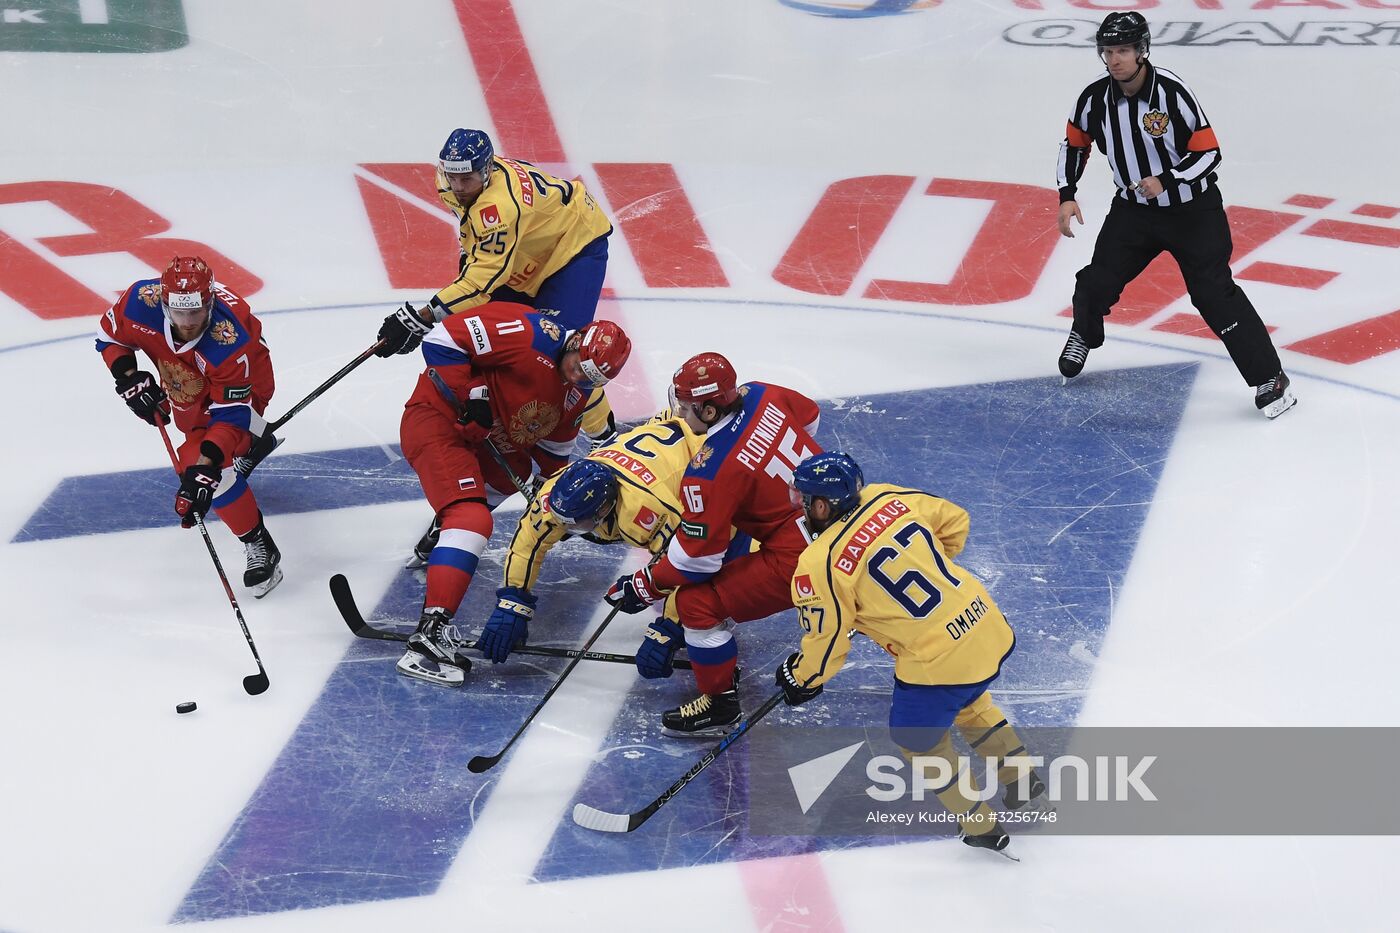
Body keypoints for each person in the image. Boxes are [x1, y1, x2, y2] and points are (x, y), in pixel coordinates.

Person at [374, 128, 623, 565]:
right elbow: (474, 263)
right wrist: (445, 314)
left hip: (571, 252)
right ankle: (470, 481)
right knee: (491, 340)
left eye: (465, 179)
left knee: (569, 359)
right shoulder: (458, 180)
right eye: (451, 176)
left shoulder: (499, 208)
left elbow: (482, 278)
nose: (455, 186)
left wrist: (424, 314)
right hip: (529, 248)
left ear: (486, 171)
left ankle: (604, 440)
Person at [776, 452, 1044, 855]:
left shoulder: (818, 563)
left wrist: (802, 678)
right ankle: (1022, 777)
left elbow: (827, 643)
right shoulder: (887, 496)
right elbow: (955, 520)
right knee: (969, 700)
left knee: (918, 739)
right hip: (985, 621)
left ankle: (980, 825)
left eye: (804, 499)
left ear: (822, 505)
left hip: (939, 658)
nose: (799, 507)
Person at [1056, 12, 1296, 419]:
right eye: (1109, 51)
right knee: (1096, 282)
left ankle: (1270, 378)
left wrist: (1167, 179)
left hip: (1194, 213)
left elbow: (1209, 153)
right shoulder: (1094, 98)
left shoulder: (1172, 93)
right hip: (1134, 212)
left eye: (1124, 50)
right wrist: (1067, 194)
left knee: (1212, 293)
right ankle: (1084, 331)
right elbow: (1075, 144)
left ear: (1142, 51)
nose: (1115, 60)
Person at [394, 301, 631, 686]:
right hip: (441, 420)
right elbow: (443, 340)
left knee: (516, 473)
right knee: (473, 520)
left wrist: (561, 498)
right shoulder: (532, 333)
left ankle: (445, 533)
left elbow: (552, 456)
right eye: (577, 369)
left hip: (493, 444)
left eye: (590, 380)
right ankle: (428, 637)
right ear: (575, 344)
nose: (577, 380)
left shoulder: (578, 394)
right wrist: (472, 397)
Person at [605, 353, 822, 736]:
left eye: (687, 408)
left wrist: (643, 584)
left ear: (708, 411)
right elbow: (810, 416)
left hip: (800, 556)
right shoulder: (760, 392)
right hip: (845, 515)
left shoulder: (709, 469)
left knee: (697, 604)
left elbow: (695, 563)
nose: (680, 414)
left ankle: (719, 705)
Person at [95, 256, 284, 596]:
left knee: (201, 460)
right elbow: (110, 337)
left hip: (245, 385)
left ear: (209, 304)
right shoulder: (141, 302)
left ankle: (260, 544)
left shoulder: (229, 339)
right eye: (179, 313)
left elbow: (231, 416)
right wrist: (128, 377)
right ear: (164, 302)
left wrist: (207, 468)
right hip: (186, 383)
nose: (188, 323)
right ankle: (251, 444)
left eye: (196, 313)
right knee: (199, 441)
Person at [474, 415, 704, 664]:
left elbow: (689, 561)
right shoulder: (558, 491)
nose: (561, 527)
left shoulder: (645, 511)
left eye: (574, 523)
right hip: (656, 447)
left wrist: (670, 628)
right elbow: (530, 538)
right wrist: (513, 598)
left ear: (604, 509)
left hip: (701, 450)